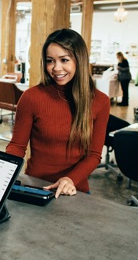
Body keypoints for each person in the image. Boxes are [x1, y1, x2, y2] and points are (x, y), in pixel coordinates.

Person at [6, 29, 110, 198]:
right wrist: (3, 170)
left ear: (79, 60)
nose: (56, 68)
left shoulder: (100, 102)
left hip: (75, 190)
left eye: (64, 60)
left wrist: (70, 179)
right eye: (50, 61)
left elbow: (94, 155)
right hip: (36, 187)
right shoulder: (32, 97)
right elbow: (17, 147)